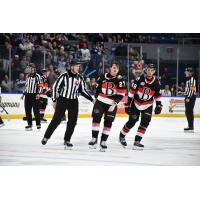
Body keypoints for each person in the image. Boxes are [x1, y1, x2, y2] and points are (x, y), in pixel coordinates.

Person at [41, 60, 95, 149]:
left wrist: (91, 99)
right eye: (76, 66)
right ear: (71, 67)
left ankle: (67, 140)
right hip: (63, 100)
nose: (78, 68)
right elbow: (55, 87)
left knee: (72, 122)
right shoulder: (64, 76)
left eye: (79, 66)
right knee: (56, 120)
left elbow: (82, 91)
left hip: (74, 101)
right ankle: (46, 137)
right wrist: (54, 100)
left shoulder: (79, 78)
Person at [119, 64, 162, 149]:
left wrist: (158, 105)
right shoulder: (139, 79)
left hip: (147, 105)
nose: (150, 71)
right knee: (132, 121)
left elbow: (157, 95)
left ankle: (137, 141)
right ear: (146, 70)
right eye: (149, 70)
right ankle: (121, 136)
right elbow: (131, 92)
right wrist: (128, 104)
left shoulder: (157, 82)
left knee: (145, 122)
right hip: (136, 103)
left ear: (154, 72)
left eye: (152, 70)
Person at [88, 62, 126, 151]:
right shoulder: (102, 77)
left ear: (118, 70)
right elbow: (97, 89)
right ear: (110, 68)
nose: (115, 69)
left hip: (111, 104)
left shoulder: (120, 80)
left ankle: (103, 141)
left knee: (108, 122)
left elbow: (121, 95)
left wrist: (114, 104)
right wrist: (96, 99)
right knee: (96, 119)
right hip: (100, 101)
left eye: (117, 68)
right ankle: (94, 139)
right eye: (113, 67)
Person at [21, 63, 43, 131]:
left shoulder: (38, 76)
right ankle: (29, 124)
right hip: (27, 95)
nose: (28, 69)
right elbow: (26, 86)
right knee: (27, 110)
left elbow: (40, 86)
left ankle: (38, 124)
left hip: (35, 95)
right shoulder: (28, 76)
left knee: (36, 110)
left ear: (33, 68)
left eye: (30, 67)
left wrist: (38, 93)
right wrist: (23, 94)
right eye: (28, 67)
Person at [184, 67, 196, 132]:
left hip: (190, 97)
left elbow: (192, 90)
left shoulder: (192, 80)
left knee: (189, 112)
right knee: (187, 112)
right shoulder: (189, 80)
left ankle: (191, 127)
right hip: (189, 96)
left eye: (186, 71)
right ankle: (190, 126)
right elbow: (189, 89)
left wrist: (188, 97)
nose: (185, 72)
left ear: (190, 72)